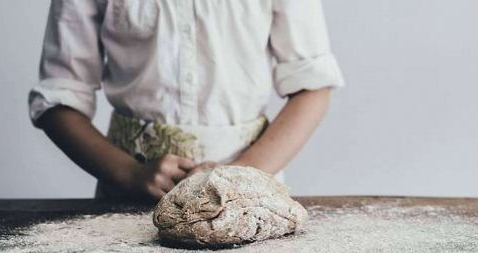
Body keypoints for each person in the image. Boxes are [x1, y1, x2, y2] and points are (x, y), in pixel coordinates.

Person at [29, 0, 344, 201]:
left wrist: (240, 176)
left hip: (251, 192)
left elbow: (312, 88)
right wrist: (128, 174)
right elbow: (58, 100)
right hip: (129, 196)